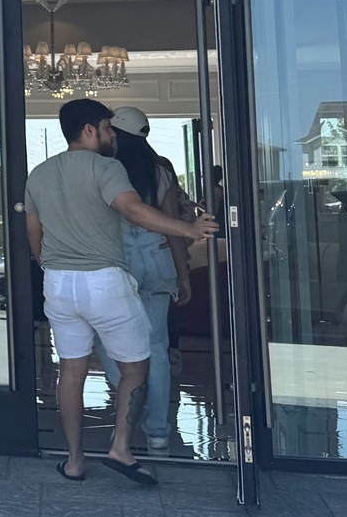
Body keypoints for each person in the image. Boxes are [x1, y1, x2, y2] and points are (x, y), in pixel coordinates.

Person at [25, 98, 215, 485]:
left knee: (72, 372)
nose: (113, 136)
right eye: (108, 128)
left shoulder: (39, 174)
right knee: (137, 365)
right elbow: (132, 210)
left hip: (59, 283)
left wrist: (46, 263)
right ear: (90, 130)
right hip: (104, 281)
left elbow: (34, 231)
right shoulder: (106, 167)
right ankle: (121, 447)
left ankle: (75, 461)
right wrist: (190, 230)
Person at [98, 107, 195, 454]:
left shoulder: (106, 169)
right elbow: (172, 224)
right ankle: (158, 432)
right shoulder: (161, 169)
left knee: (109, 339)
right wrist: (183, 275)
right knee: (156, 347)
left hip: (118, 259)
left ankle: (127, 396)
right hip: (157, 257)